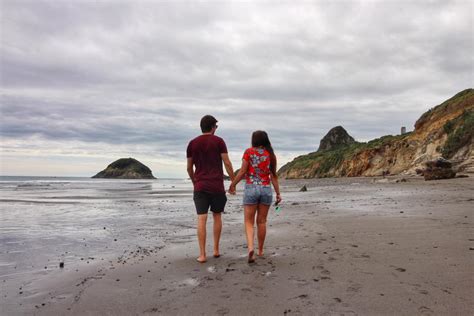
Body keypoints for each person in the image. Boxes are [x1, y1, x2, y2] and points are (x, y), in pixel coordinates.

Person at [187, 115, 235, 263]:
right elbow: (226, 162)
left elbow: (189, 168)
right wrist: (233, 181)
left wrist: (195, 181)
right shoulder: (219, 141)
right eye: (216, 126)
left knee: (201, 218)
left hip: (200, 185)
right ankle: (215, 250)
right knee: (217, 216)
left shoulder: (192, 143)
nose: (216, 129)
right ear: (213, 127)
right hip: (216, 186)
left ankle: (202, 255)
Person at [229, 131, 281, 263]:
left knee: (249, 221)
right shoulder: (270, 155)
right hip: (265, 189)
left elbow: (242, 171)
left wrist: (233, 184)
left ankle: (251, 248)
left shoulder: (248, 152)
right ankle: (261, 250)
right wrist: (278, 193)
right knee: (262, 221)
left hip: (251, 188)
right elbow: (273, 176)